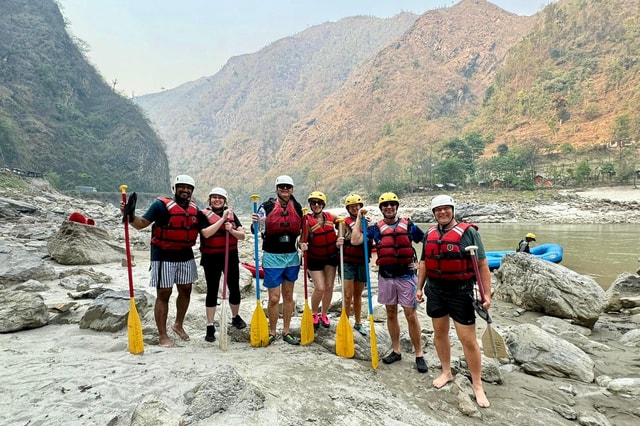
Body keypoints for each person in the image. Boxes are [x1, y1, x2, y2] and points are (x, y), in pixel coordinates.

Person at [416, 194, 491, 408]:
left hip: (461, 292)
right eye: (437, 210)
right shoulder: (429, 234)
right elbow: (424, 263)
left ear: (452, 210)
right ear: (433, 213)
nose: (442, 212)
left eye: (446, 209)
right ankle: (446, 371)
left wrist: (487, 294)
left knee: (467, 339)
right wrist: (419, 288)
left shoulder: (469, 233)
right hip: (436, 290)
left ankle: (477, 384)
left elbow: (483, 265)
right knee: (440, 333)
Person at [121, 175, 211, 347]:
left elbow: (207, 229)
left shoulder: (194, 209)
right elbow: (141, 224)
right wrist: (129, 214)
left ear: (192, 190)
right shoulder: (160, 206)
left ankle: (178, 325)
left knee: (186, 290)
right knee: (164, 293)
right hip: (163, 255)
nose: (185, 190)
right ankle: (162, 335)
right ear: (174, 189)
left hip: (185, 254)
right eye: (181, 187)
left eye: (188, 187)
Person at [351, 192, 427, 373]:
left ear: (396, 207)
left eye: (392, 205)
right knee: (391, 313)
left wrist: (421, 263)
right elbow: (355, 240)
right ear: (381, 209)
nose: (389, 208)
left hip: (407, 276)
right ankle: (396, 350)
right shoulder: (375, 228)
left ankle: (419, 354)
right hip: (386, 276)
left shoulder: (408, 225)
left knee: (410, 314)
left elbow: (427, 241)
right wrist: (359, 219)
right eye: (385, 205)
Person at [251, 175, 303, 345]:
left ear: (292, 189)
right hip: (272, 256)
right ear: (277, 189)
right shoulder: (265, 206)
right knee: (274, 298)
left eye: (288, 187)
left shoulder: (297, 206)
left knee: (288, 296)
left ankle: (286, 331)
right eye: (282, 187)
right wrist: (256, 222)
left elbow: (305, 228)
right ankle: (272, 330)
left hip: (292, 257)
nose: (285, 189)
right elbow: (255, 228)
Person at [199, 187, 246, 343]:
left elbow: (242, 236)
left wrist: (231, 229)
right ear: (210, 200)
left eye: (220, 197)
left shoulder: (232, 216)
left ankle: (235, 316)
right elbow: (206, 233)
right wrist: (222, 220)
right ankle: (210, 325)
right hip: (211, 257)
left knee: (234, 287)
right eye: (214, 197)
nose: (217, 200)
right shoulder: (203, 215)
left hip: (230, 256)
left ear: (225, 200)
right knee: (212, 290)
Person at [300, 191, 338, 330]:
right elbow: (301, 241)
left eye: (319, 203)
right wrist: (302, 245)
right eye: (313, 203)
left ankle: (324, 314)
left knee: (329, 287)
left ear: (323, 204)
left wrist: (341, 234)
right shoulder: (306, 220)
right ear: (310, 205)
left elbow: (343, 222)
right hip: (314, 258)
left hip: (330, 257)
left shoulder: (330, 216)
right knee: (320, 287)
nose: (316, 205)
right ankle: (314, 313)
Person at [336, 194, 370, 336]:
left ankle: (358, 323)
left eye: (357, 206)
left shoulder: (366, 223)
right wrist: (339, 243)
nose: (355, 208)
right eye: (352, 206)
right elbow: (338, 242)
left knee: (358, 294)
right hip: (348, 263)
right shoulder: (343, 223)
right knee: (348, 295)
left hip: (361, 262)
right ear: (348, 208)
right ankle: (345, 321)